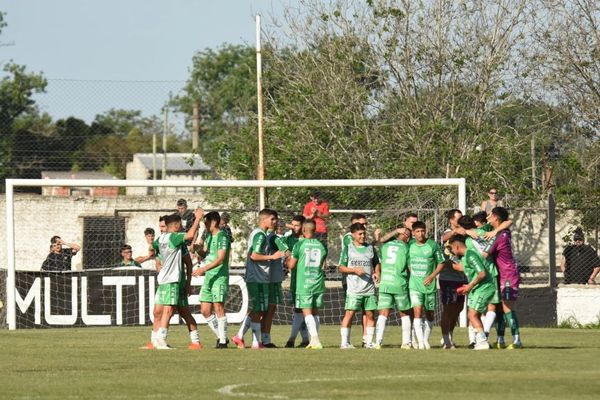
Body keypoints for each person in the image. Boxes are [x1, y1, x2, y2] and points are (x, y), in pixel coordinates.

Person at [151, 211, 203, 350]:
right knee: (165, 311)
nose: (182, 227)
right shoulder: (174, 238)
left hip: (169, 280)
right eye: (180, 224)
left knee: (179, 311)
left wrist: (188, 283)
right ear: (175, 226)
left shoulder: (160, 240)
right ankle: (160, 340)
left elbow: (153, 249)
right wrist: (197, 219)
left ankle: (195, 342)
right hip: (171, 280)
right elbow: (190, 235)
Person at [232, 209, 283, 349]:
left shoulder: (261, 234)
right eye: (272, 219)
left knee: (258, 309)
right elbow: (254, 256)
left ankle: (240, 336)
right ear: (264, 219)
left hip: (259, 277)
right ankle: (255, 342)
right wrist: (272, 257)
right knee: (258, 309)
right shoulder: (260, 235)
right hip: (258, 277)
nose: (275, 222)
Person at [448, 234, 497, 350]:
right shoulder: (466, 256)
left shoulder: (471, 254)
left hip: (484, 287)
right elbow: (460, 267)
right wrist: (445, 261)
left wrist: (470, 285)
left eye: (452, 248)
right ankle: (481, 341)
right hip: (478, 288)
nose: (451, 250)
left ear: (456, 246)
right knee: (474, 314)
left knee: (472, 314)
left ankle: (483, 342)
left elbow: (482, 273)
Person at [483, 207, 523, 349]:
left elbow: (485, 255)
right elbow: (508, 222)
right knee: (502, 307)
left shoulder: (499, 237)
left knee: (507, 308)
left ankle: (517, 340)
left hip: (508, 276)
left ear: (496, 218)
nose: (488, 218)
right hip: (505, 274)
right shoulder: (503, 232)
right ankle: (501, 340)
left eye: (490, 216)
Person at [338, 223, 380, 349]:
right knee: (349, 314)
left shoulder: (370, 248)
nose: (363, 236)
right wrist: (354, 270)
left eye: (364, 233)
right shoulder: (348, 248)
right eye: (360, 234)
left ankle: (368, 342)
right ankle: (344, 343)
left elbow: (376, 263)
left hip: (369, 288)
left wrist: (377, 272)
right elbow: (341, 267)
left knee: (371, 315)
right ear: (353, 235)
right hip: (354, 289)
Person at [288, 219, 328, 349]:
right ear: (315, 230)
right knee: (315, 312)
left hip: (304, 283)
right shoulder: (322, 245)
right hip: (317, 282)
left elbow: (291, 265)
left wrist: (286, 260)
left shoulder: (299, 245)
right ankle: (312, 339)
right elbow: (323, 265)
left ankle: (315, 340)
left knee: (306, 312)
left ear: (303, 230)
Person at [193, 211, 231, 348]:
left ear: (214, 222)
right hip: (209, 276)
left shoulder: (222, 237)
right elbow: (205, 253)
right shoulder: (209, 236)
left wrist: (203, 269)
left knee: (218, 307)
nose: (205, 225)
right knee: (205, 310)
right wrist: (197, 249)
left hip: (219, 276)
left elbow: (220, 259)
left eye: (207, 222)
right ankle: (222, 337)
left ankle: (222, 342)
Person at [408, 221, 444, 350]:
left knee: (429, 313)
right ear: (413, 233)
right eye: (417, 231)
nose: (420, 234)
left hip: (429, 285)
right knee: (417, 311)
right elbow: (407, 261)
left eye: (422, 231)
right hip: (414, 285)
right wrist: (411, 271)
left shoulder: (433, 245)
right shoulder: (410, 245)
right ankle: (421, 342)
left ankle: (426, 339)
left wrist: (432, 276)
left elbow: (441, 263)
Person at [375, 226, 412, 349]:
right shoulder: (407, 248)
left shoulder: (386, 246)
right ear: (407, 237)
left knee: (383, 313)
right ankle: (406, 342)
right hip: (399, 283)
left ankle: (378, 342)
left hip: (385, 283)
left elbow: (381, 241)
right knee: (404, 313)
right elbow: (410, 267)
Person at [438, 209, 468, 349]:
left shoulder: (465, 233)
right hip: (448, 277)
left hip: (462, 277)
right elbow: (444, 238)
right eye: (458, 218)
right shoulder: (448, 232)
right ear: (451, 220)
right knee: (448, 308)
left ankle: (449, 335)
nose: (460, 220)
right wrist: (457, 231)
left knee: (459, 308)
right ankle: (445, 340)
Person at [284, 215, 310, 348]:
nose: (294, 227)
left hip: (307, 280)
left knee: (304, 311)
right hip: (295, 280)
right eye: (292, 225)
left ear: (303, 226)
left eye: (297, 225)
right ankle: (305, 339)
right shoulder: (288, 240)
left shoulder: (309, 241)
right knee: (298, 309)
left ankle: (293, 339)